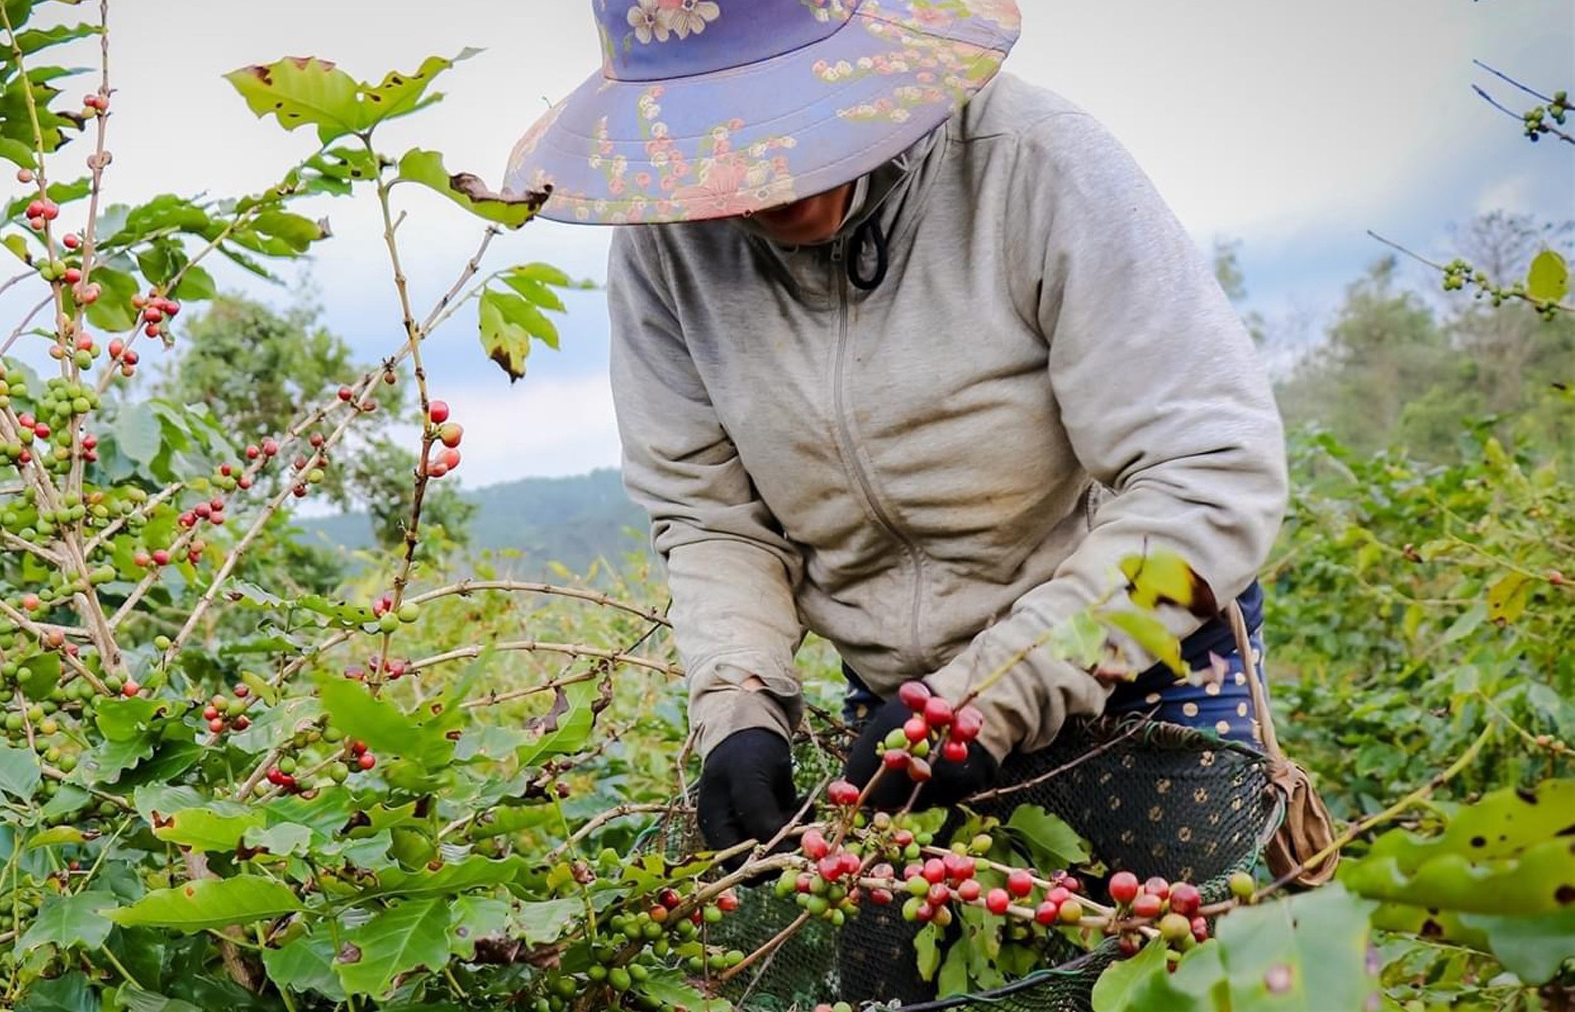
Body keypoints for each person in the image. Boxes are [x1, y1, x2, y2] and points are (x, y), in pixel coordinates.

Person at [503, 0, 1287, 852]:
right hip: (901, 707)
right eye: (716, 135)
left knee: (1179, 970)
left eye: (778, 120)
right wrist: (740, 710)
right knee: (933, 979)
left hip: (1135, 657)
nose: (762, 176)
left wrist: (994, 693)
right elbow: (709, 514)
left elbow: (1209, 474)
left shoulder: (1030, 162)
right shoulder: (667, 249)